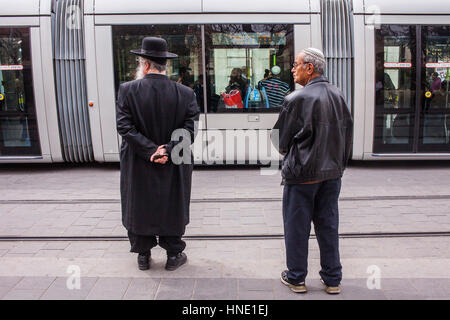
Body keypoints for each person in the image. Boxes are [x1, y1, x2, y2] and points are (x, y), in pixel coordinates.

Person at [272, 48, 353, 294]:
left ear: (310, 68)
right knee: (328, 225)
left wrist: (292, 157)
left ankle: (296, 277)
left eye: (296, 64)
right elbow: (347, 135)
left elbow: (279, 140)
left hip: (302, 176)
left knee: (297, 228)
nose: (292, 69)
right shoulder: (339, 95)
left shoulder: (295, 99)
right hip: (331, 175)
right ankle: (332, 279)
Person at [116, 37, 200, 271]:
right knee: (172, 202)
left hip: (138, 160)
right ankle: (174, 254)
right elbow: (189, 130)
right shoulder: (185, 93)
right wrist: (169, 150)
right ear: (166, 66)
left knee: (139, 202)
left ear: (144, 64)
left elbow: (125, 127)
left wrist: (150, 150)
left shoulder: (127, 90)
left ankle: (143, 254)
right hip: (175, 162)